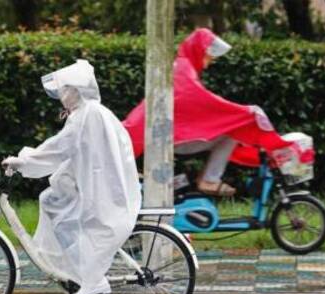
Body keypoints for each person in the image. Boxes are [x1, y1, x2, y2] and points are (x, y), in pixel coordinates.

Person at [2, 60, 141, 294]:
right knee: (50, 200)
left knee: (65, 213)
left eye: (65, 90)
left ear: (77, 90)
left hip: (101, 187)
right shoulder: (89, 112)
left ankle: (91, 277)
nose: (61, 96)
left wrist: (23, 161)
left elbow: (60, 147)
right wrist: (28, 160)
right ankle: (76, 271)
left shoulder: (87, 115)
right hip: (98, 181)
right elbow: (67, 149)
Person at [123, 28, 291, 197]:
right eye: (209, 54)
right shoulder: (183, 69)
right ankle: (209, 179)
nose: (211, 59)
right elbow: (201, 99)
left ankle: (207, 178)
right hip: (169, 137)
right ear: (199, 50)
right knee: (233, 130)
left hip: (163, 134)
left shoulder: (181, 67)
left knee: (231, 128)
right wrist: (242, 112)